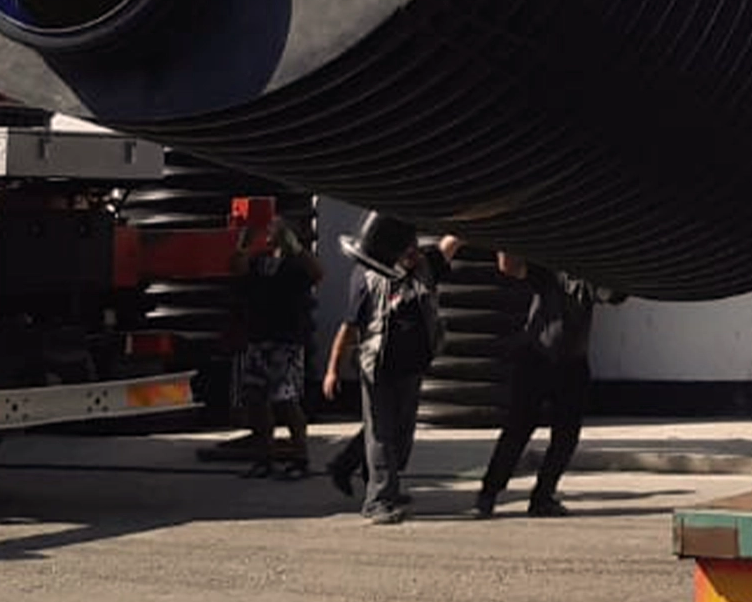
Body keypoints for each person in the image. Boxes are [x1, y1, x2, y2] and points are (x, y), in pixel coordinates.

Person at [323, 212, 461, 524]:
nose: (414, 254)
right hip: (379, 366)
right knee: (381, 433)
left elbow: (450, 245)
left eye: (415, 248)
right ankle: (378, 501)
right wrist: (333, 369)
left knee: (399, 432)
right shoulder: (367, 278)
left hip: (411, 366)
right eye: (407, 251)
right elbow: (348, 328)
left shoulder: (425, 267)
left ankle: (352, 468)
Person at [475, 254, 623, 518]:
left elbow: (614, 294)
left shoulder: (590, 277)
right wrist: (504, 243)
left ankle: (542, 496)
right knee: (518, 429)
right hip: (537, 357)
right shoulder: (548, 268)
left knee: (566, 436)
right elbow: (509, 267)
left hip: (572, 362)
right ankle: (489, 493)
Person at [236, 217, 321, 479]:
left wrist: (294, 247)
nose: (269, 234)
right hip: (259, 339)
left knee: (285, 400)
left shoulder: (294, 264)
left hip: (286, 341)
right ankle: (264, 458)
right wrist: (246, 242)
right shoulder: (257, 263)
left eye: (273, 230)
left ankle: (300, 458)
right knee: (255, 399)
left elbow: (317, 273)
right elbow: (238, 269)